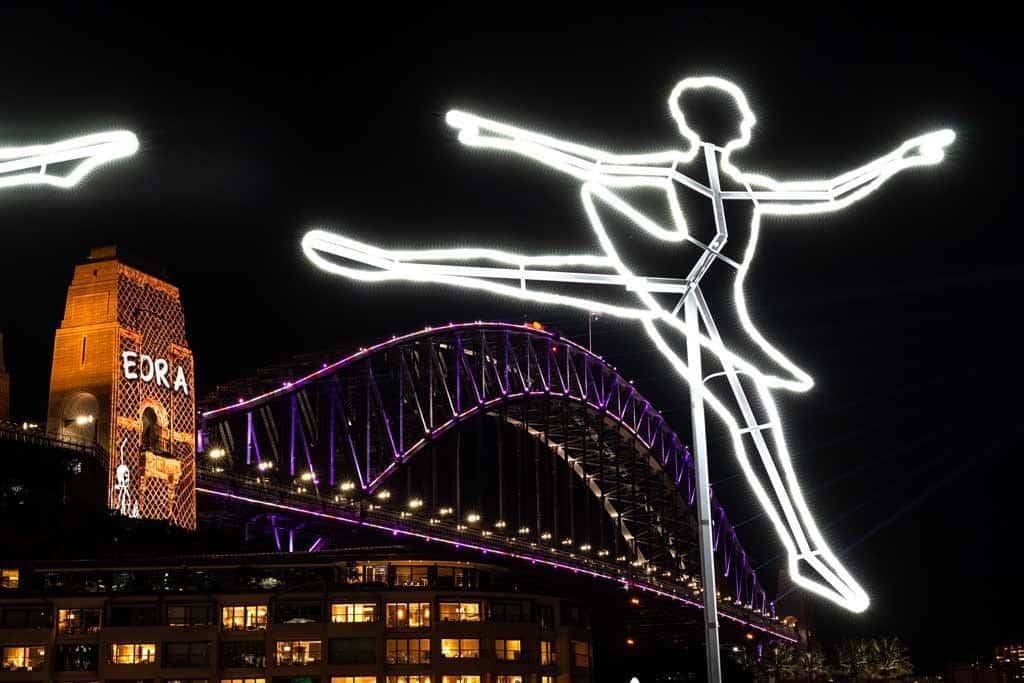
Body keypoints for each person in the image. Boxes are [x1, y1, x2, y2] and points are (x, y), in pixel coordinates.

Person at [303, 76, 954, 613]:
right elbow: (589, 164)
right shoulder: (679, 170)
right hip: (671, 278)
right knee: (528, 272)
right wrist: (497, 135)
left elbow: (830, 192)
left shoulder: (744, 184)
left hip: (703, 302)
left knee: (747, 413)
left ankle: (807, 553)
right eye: (740, 110)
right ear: (715, 120)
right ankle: (384, 262)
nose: (751, 118)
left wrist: (901, 158)